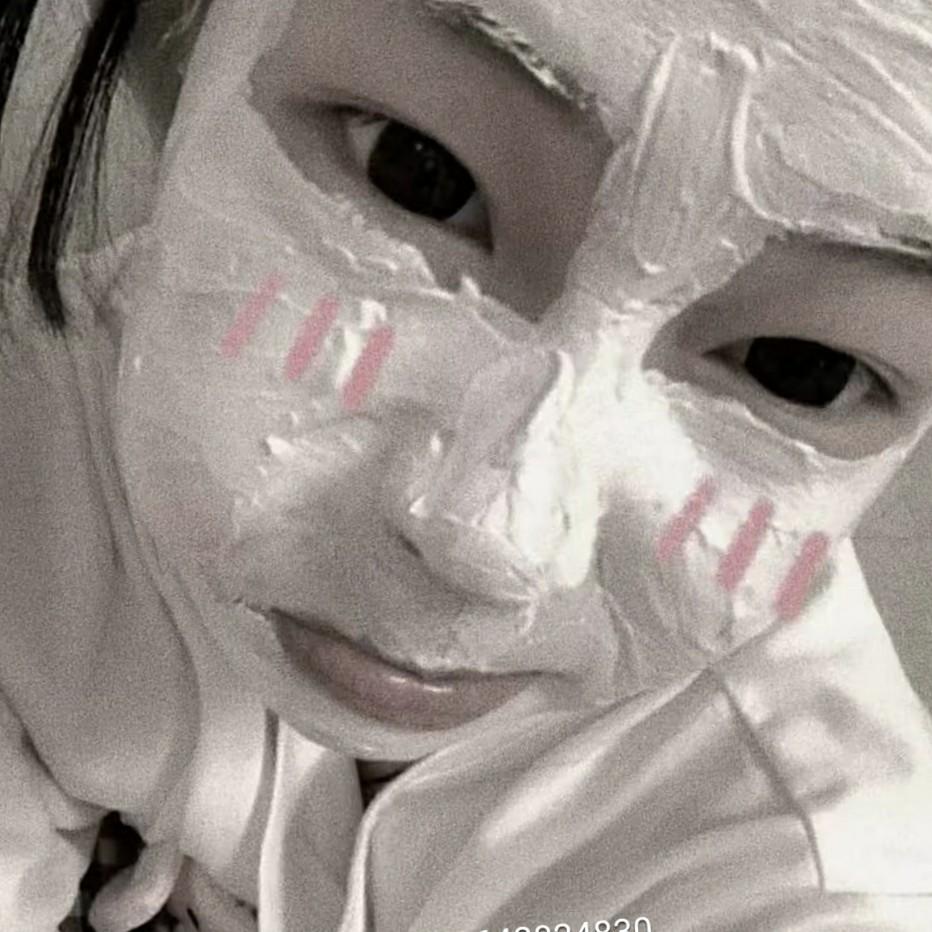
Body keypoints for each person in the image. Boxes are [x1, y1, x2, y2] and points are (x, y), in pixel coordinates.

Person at [2, 0, 932, 929]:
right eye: (416, 172)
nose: (492, 541)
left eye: (799, 369)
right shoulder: (37, 435)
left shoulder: (812, 876)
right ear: (177, 35)